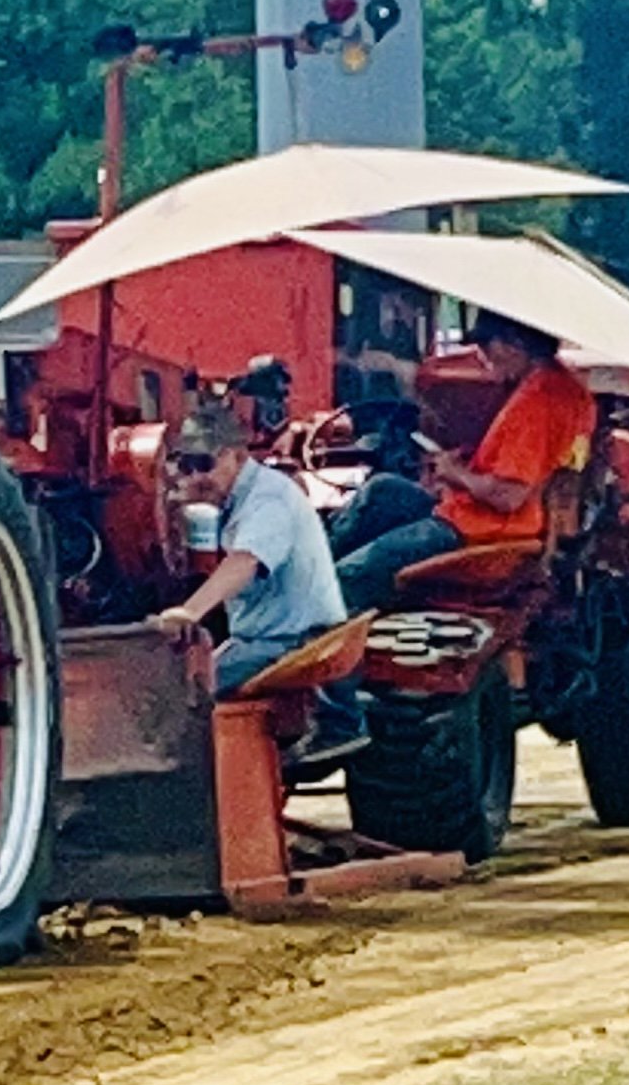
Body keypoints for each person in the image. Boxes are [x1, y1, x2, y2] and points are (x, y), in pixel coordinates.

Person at [331, 310, 596, 613]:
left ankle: (311, 623)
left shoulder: (537, 402)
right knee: (382, 492)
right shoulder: (571, 390)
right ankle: (310, 570)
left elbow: (508, 496)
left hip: (483, 535)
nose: (482, 356)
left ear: (515, 342)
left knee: (348, 576)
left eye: (486, 345)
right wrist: (471, 460)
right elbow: (537, 463)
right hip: (502, 525)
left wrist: (454, 473)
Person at [157, 403, 368, 770]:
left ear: (236, 456)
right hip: (265, 638)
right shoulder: (240, 500)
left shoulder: (268, 499)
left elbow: (244, 562)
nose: (194, 477)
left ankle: (200, 786)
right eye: (186, 466)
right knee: (187, 680)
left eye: (204, 465)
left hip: (290, 641)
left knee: (182, 694)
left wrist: (189, 611)